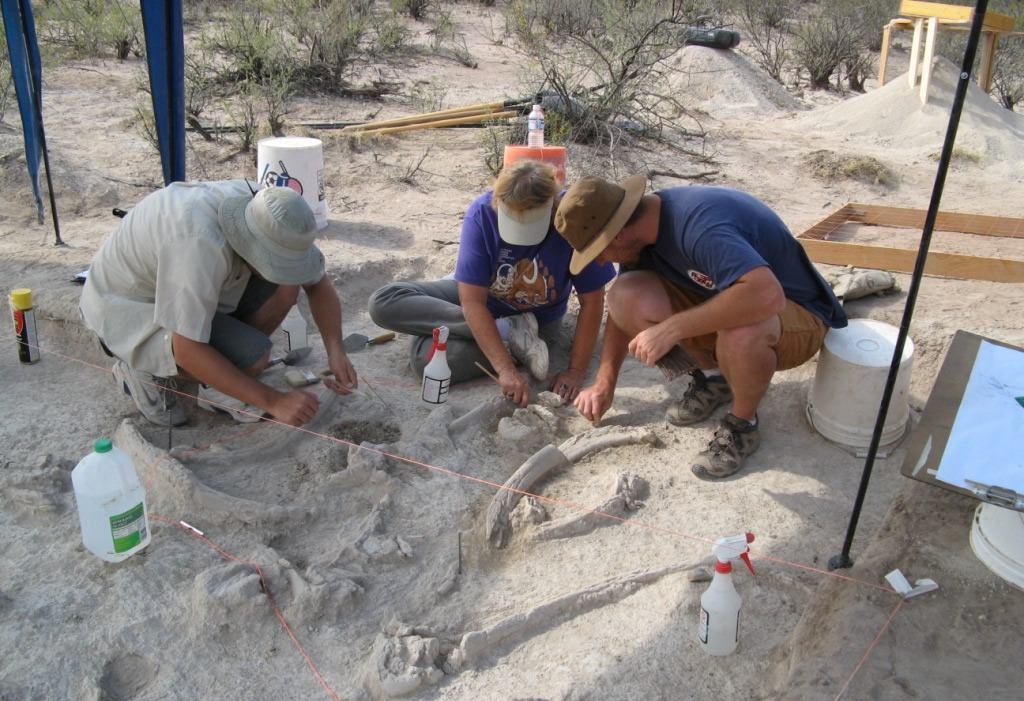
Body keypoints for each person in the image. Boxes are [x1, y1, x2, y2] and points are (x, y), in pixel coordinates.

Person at [554, 176, 847, 479]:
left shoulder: (699, 227)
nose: (601, 262)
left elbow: (766, 295)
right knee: (625, 294)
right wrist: (605, 381)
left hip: (797, 313)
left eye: (598, 252)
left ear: (616, 235)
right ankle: (715, 379)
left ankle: (742, 424)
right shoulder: (643, 234)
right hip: (733, 298)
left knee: (741, 329)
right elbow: (619, 312)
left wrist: (671, 329)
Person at [79, 181, 358, 428]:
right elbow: (188, 350)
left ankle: (220, 384)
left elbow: (318, 283)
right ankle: (140, 369)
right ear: (251, 245)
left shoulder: (272, 209)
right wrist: (274, 401)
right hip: (130, 305)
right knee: (255, 356)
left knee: (288, 285)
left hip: (188, 283)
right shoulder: (198, 245)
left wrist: (336, 351)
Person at [368, 160, 616, 407]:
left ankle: (453, 328)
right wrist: (505, 368)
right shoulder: (481, 213)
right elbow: (472, 301)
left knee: (427, 361)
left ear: (550, 204)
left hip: (539, 321)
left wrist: (575, 371)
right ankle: (509, 330)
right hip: (478, 299)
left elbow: (592, 300)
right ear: (498, 201)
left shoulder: (572, 216)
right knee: (383, 302)